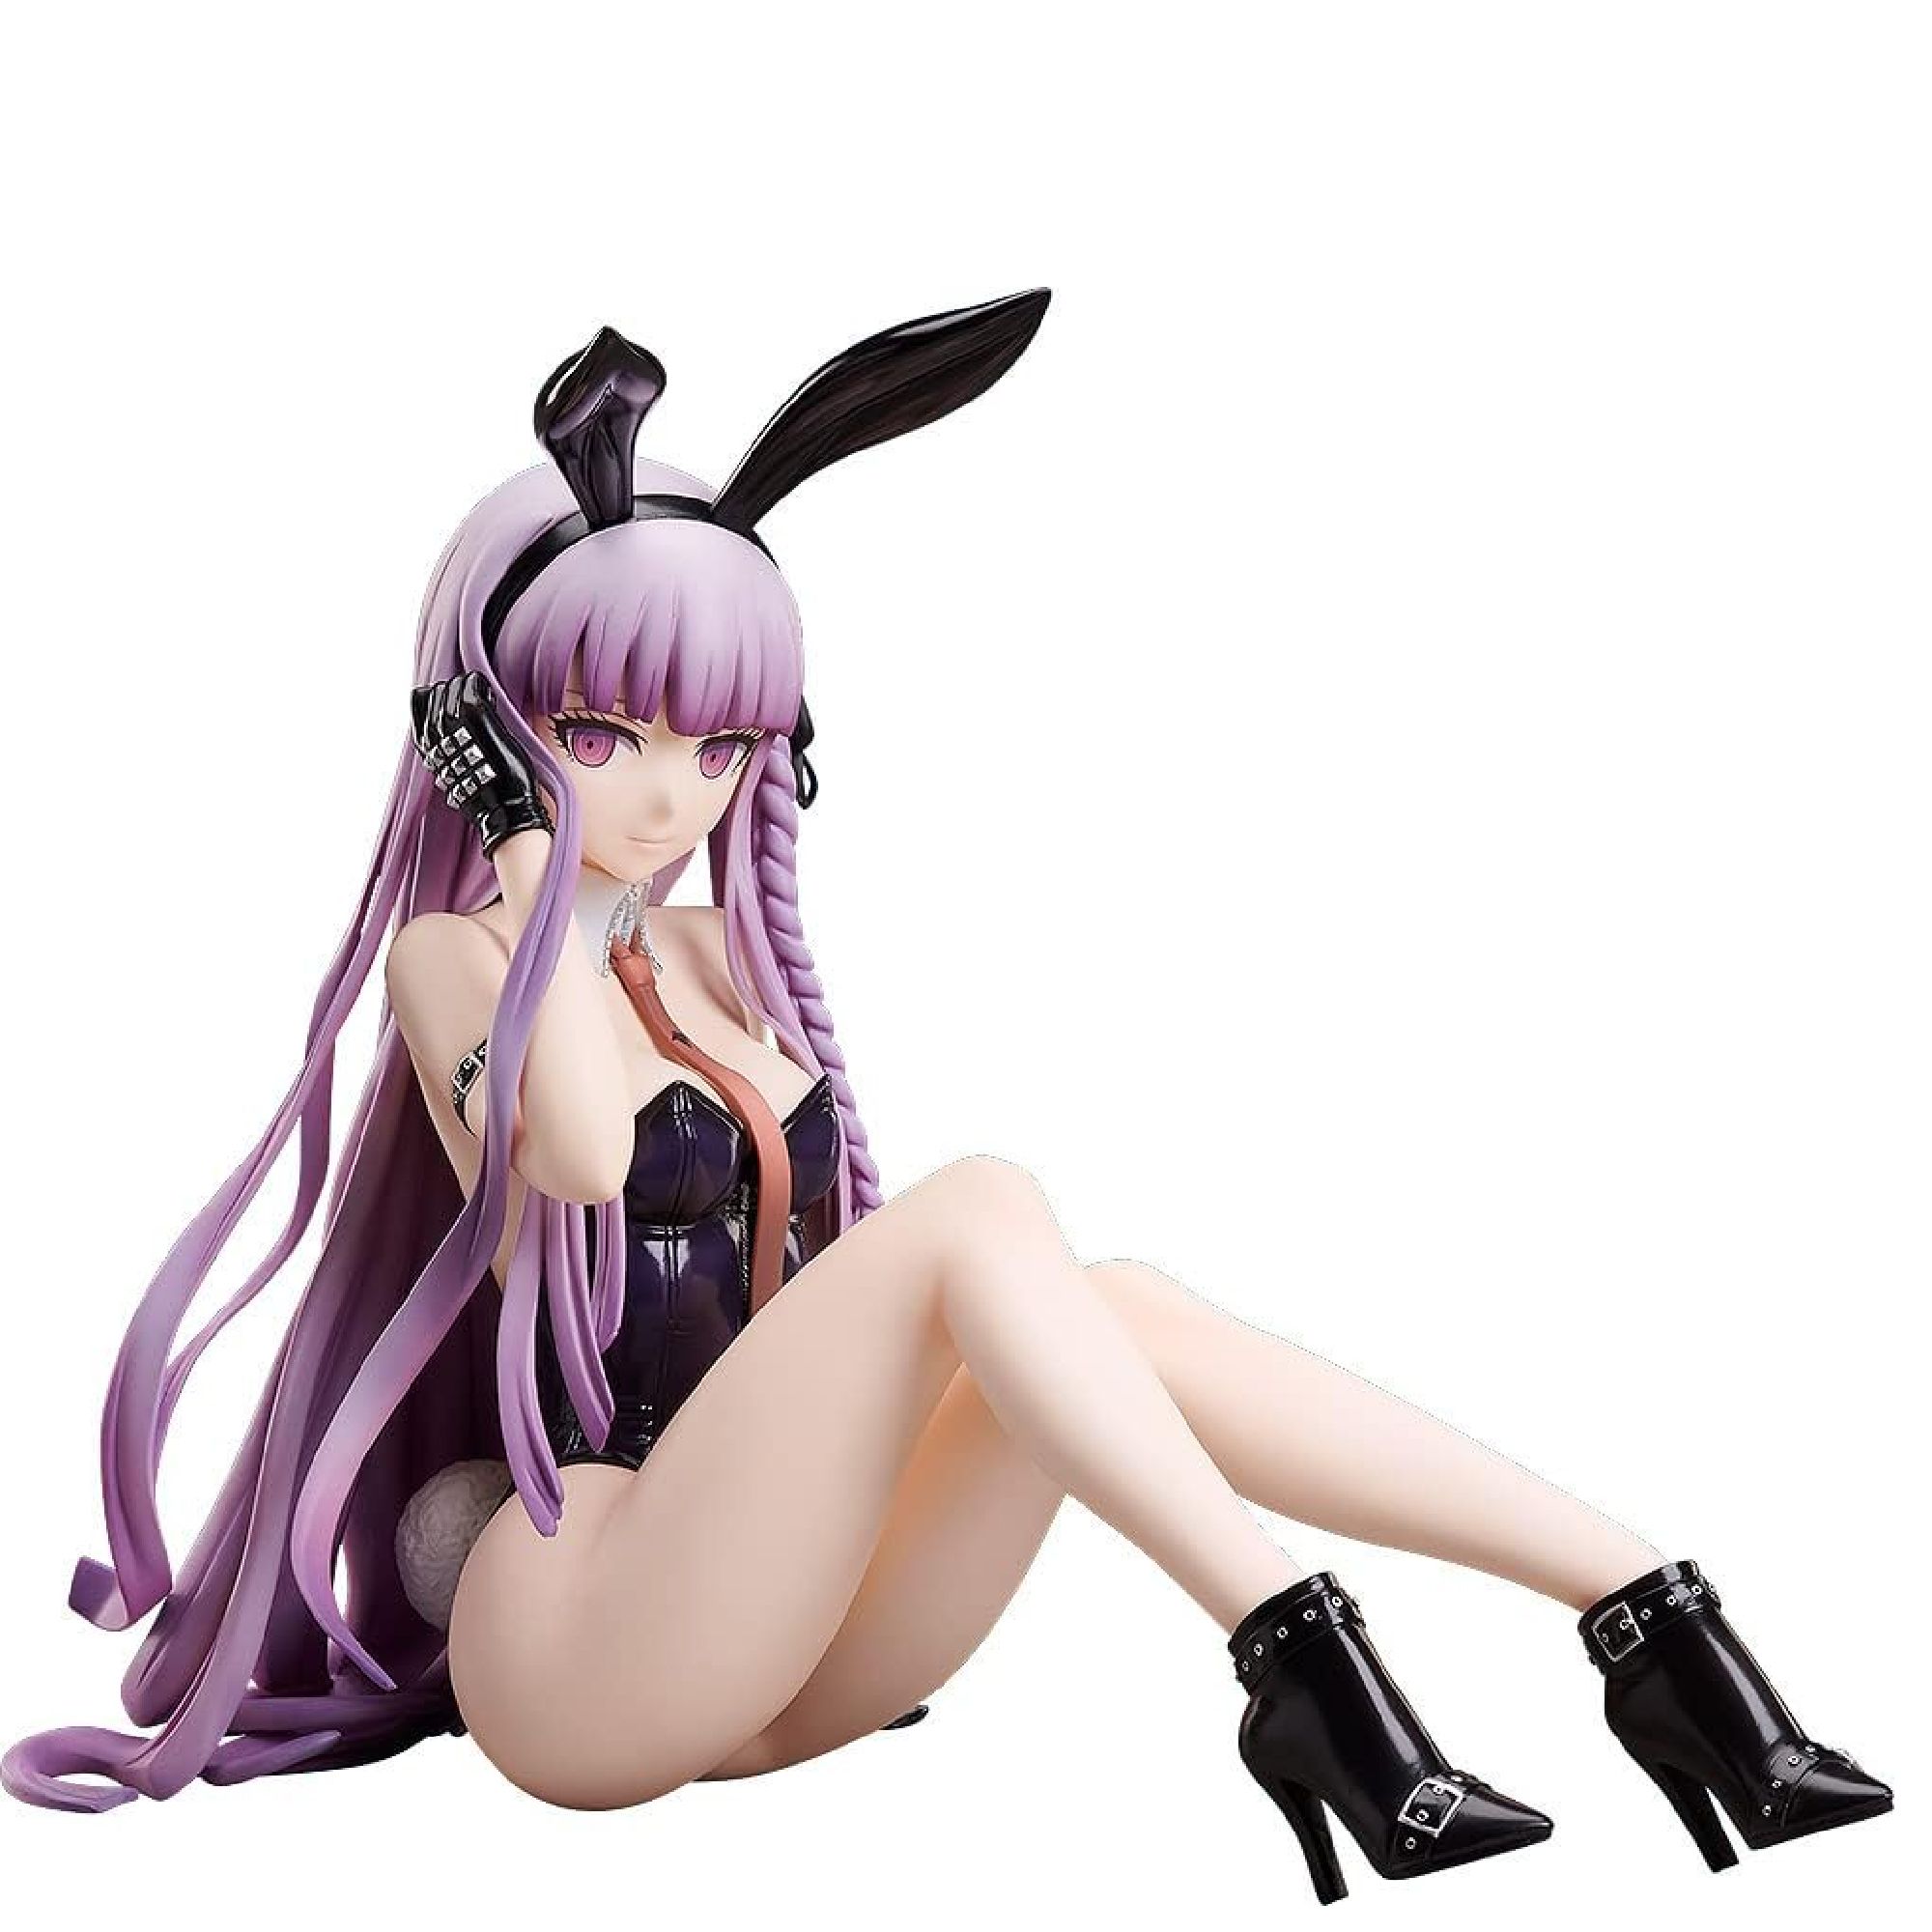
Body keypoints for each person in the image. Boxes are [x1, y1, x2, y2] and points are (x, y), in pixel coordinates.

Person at [2, 295, 1890, 1901]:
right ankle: (1300, 1661)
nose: (664, 792)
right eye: (596, 734)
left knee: (1104, 1301)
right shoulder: (460, 965)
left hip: (790, 1647)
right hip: (580, 1640)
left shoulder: (721, 960)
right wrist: (518, 851)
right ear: (486, 732)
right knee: (985, 1210)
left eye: (717, 743)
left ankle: (1647, 1616)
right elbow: (574, 1147)